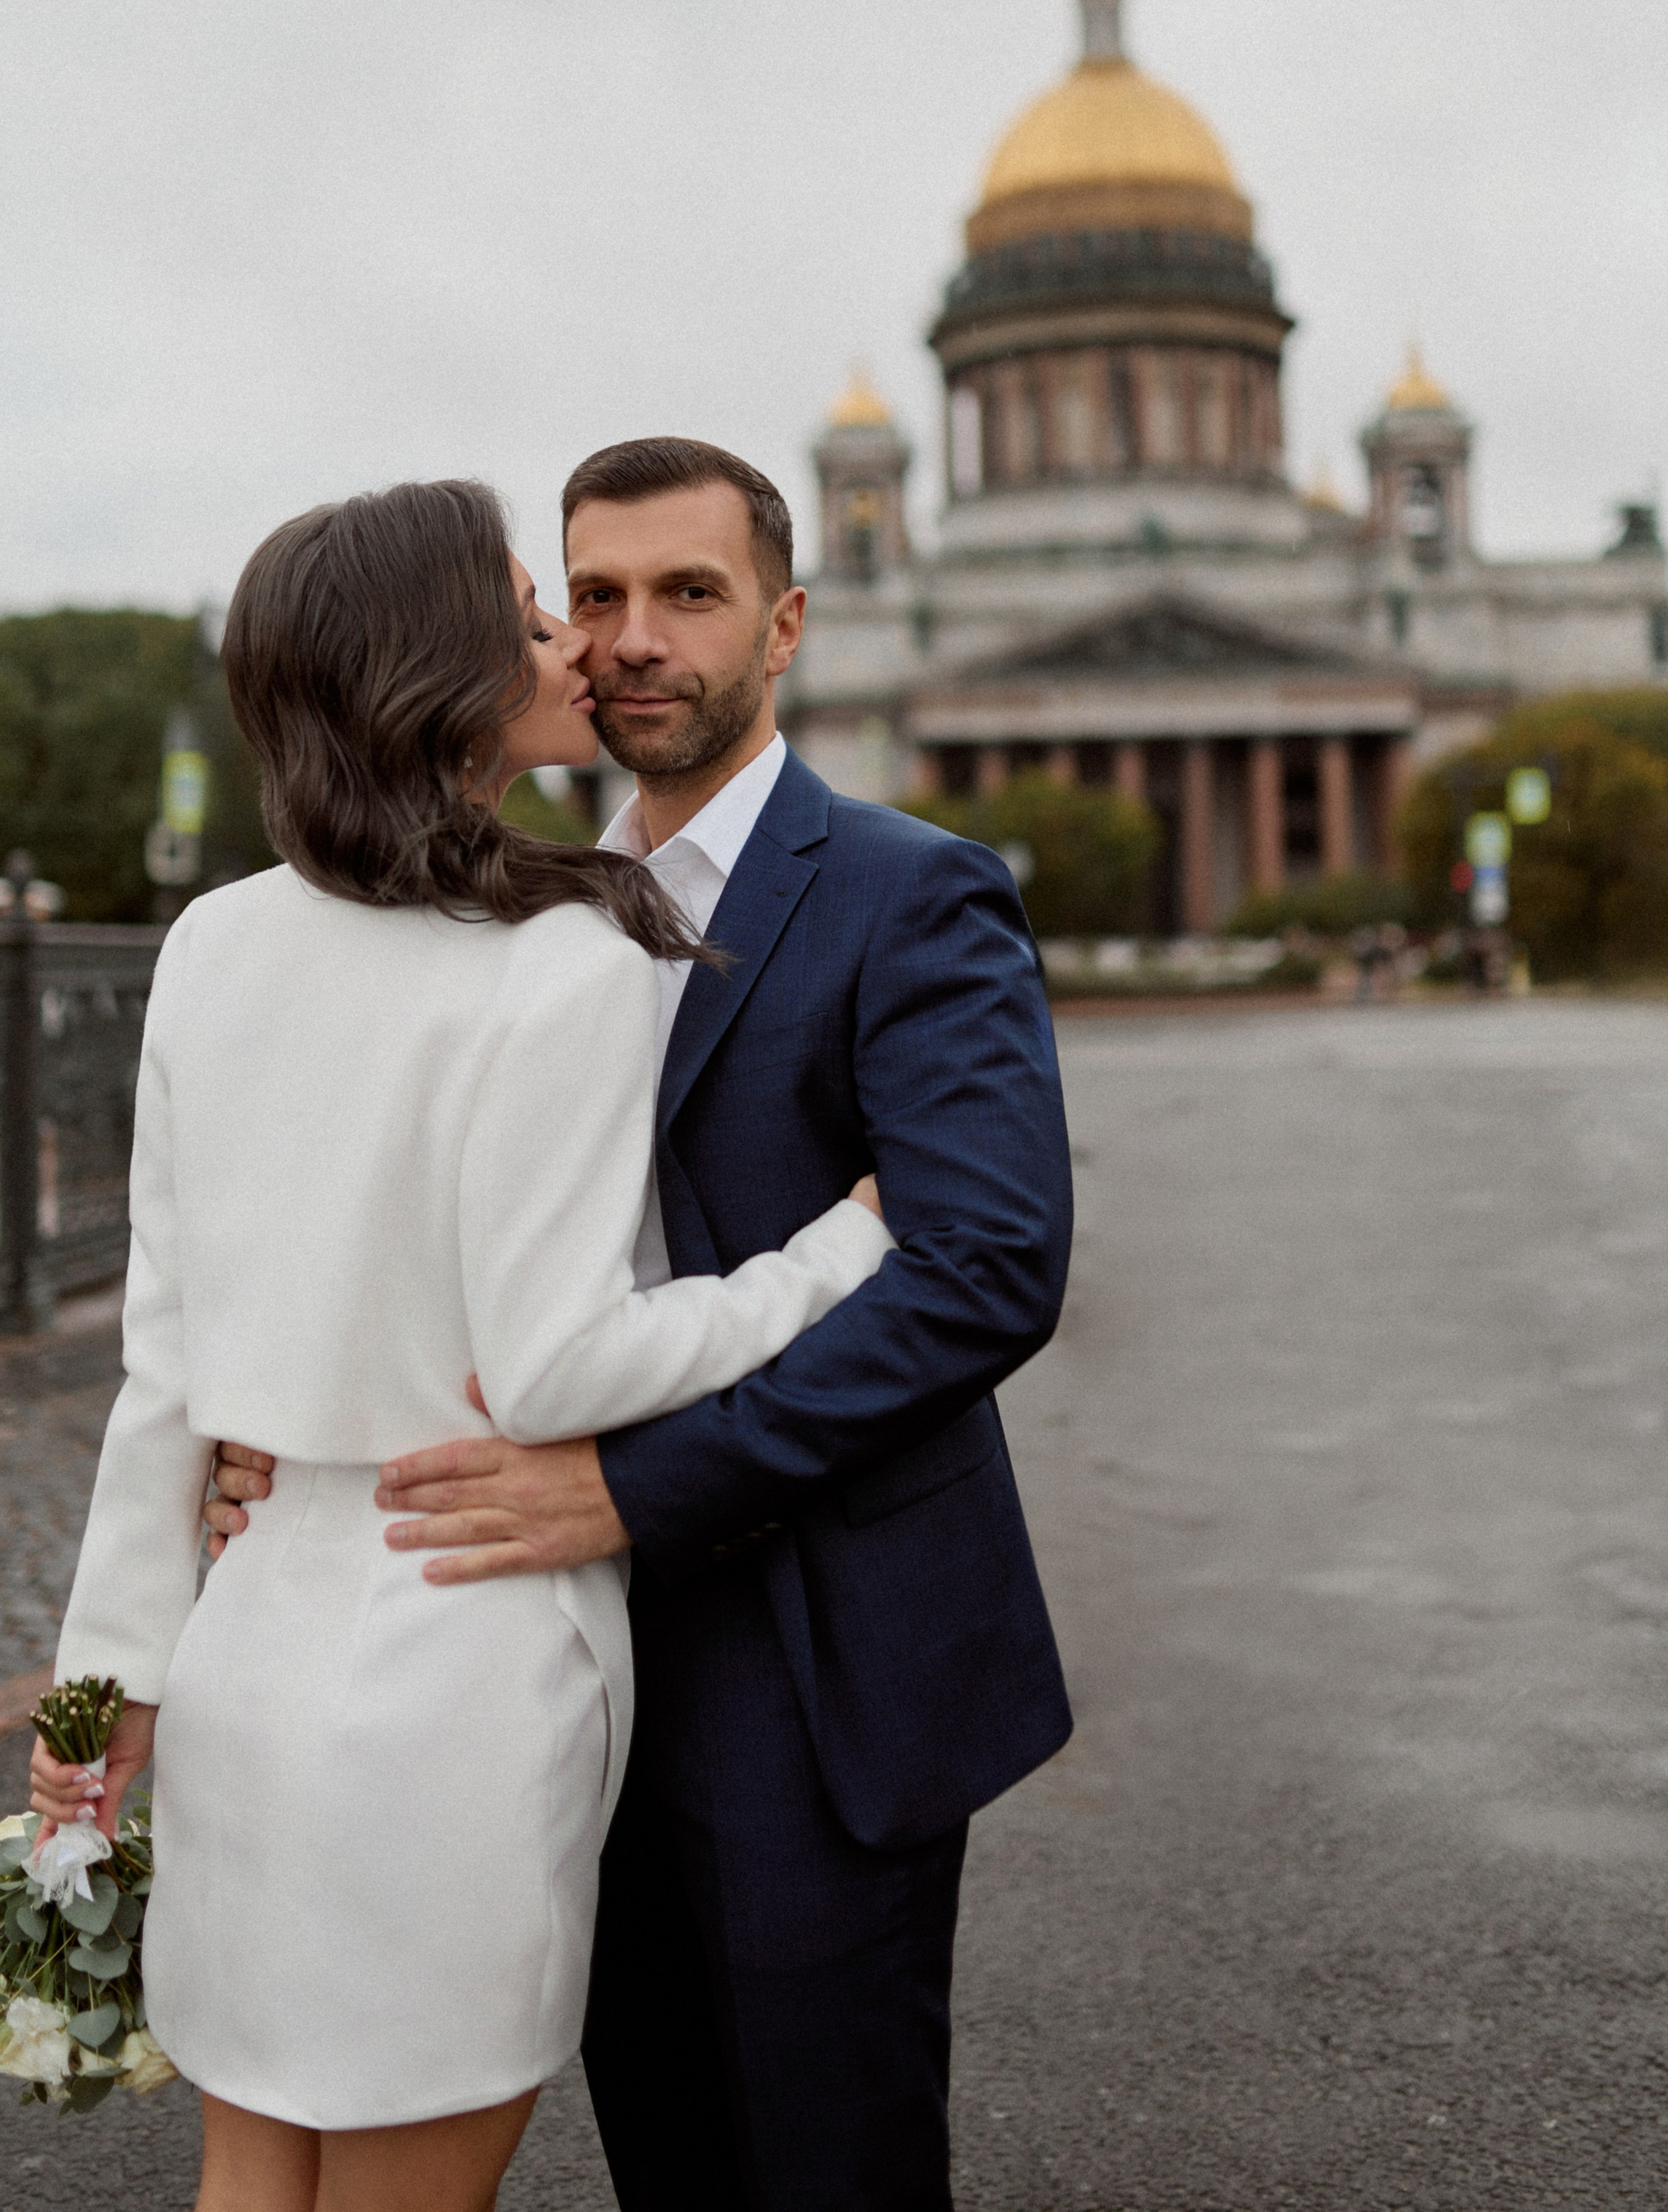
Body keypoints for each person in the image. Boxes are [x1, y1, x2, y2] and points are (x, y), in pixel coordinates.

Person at [207, 440, 1076, 2211]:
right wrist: (277, 1427)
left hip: (816, 1654)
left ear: (787, 624)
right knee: (667, 2156)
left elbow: (983, 1265)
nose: (630, 641)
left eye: (689, 594)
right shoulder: (500, 905)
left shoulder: (911, 891)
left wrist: (634, 1488)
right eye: (590, 596)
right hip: (532, 1668)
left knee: (820, 2168)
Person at [28, 479, 892, 2212]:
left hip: (251, 1650)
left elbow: (167, 1363)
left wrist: (102, 1690)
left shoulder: (212, 945)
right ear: (440, 674)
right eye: (528, 617)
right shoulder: (561, 956)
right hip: (458, 1662)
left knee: (254, 2176)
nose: (576, 643)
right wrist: (836, 1249)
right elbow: (559, 1371)